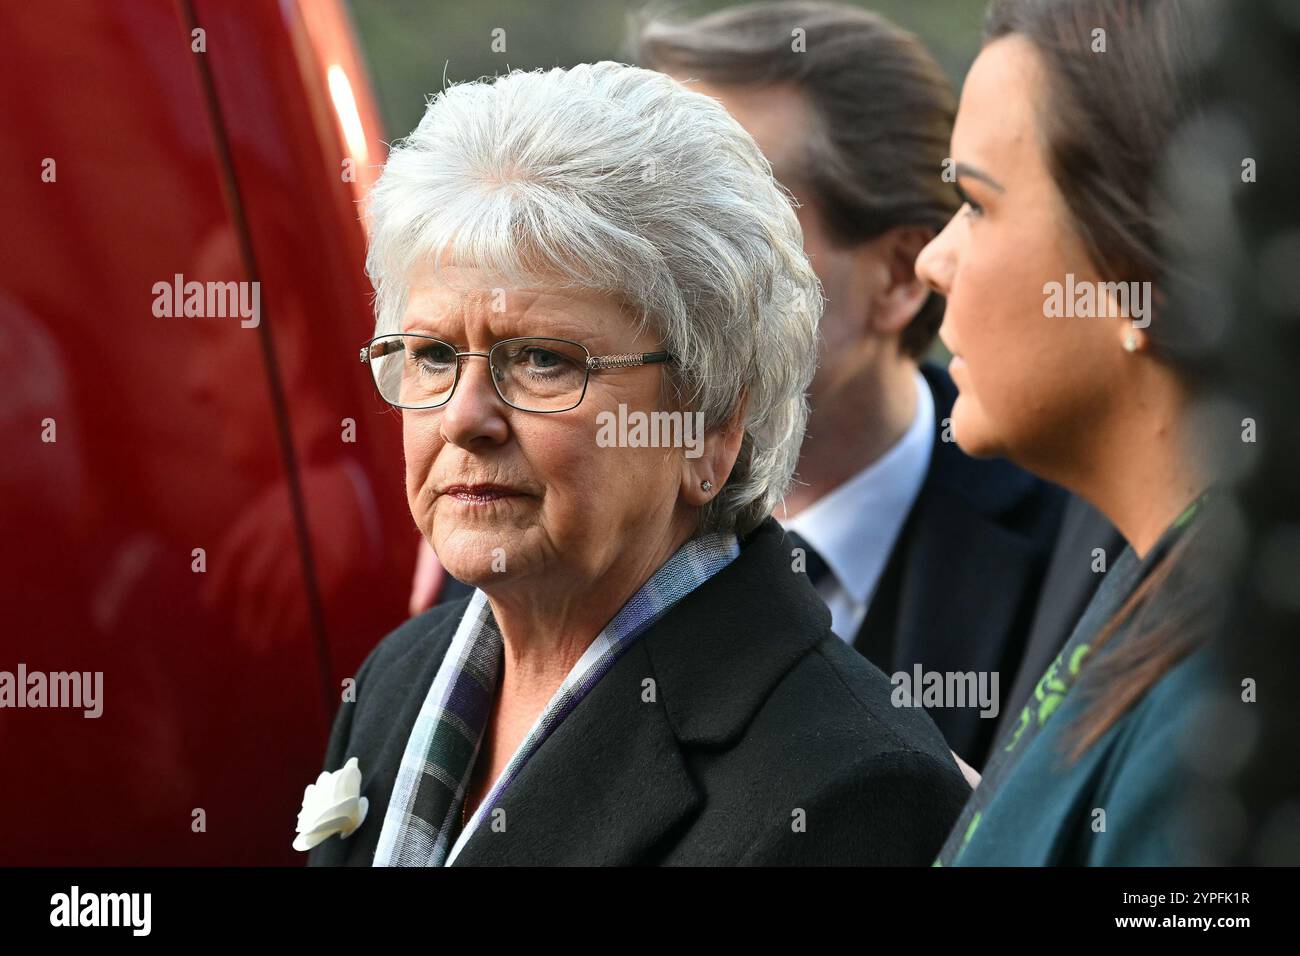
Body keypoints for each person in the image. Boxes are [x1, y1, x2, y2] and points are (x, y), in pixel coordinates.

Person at [302, 61, 970, 866]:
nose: (463, 418)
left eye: (542, 360)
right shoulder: (399, 674)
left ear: (714, 425)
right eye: (434, 355)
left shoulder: (851, 789)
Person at [632, 1, 1077, 771]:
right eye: (640, 215)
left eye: (730, 221)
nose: (651, 271)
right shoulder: (555, 512)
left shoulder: (1084, 549)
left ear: (902, 274)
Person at [915, 0, 1235, 865]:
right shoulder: (1157, 572)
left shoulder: (1221, 713)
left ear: (1141, 270)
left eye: (975, 204)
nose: (932, 260)